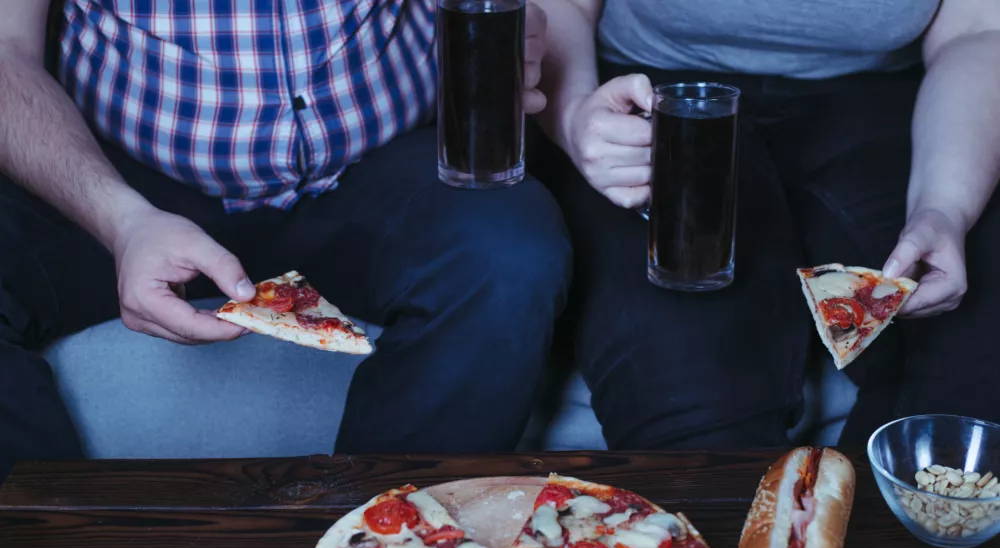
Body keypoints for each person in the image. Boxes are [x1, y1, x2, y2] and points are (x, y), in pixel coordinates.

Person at [0, 0, 570, 470]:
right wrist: (120, 219)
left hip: (380, 166)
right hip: (128, 184)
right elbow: (7, 50)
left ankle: (387, 542)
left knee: (510, 255)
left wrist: (522, 33)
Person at [530, 0, 1000, 448]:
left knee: (966, 359)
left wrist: (945, 205)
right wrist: (575, 115)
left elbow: (979, 30)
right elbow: (561, 7)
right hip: (657, 95)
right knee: (690, 384)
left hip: (893, 99)